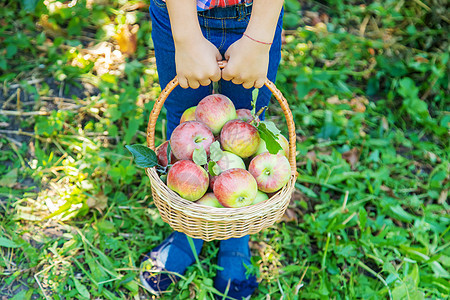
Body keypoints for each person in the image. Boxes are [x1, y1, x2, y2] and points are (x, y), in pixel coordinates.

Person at [140, 0, 284, 299]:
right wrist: (186, 37)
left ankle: (235, 237)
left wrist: (258, 39)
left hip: (256, 15)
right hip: (179, 14)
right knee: (184, 119)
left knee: (247, 121)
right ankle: (187, 234)